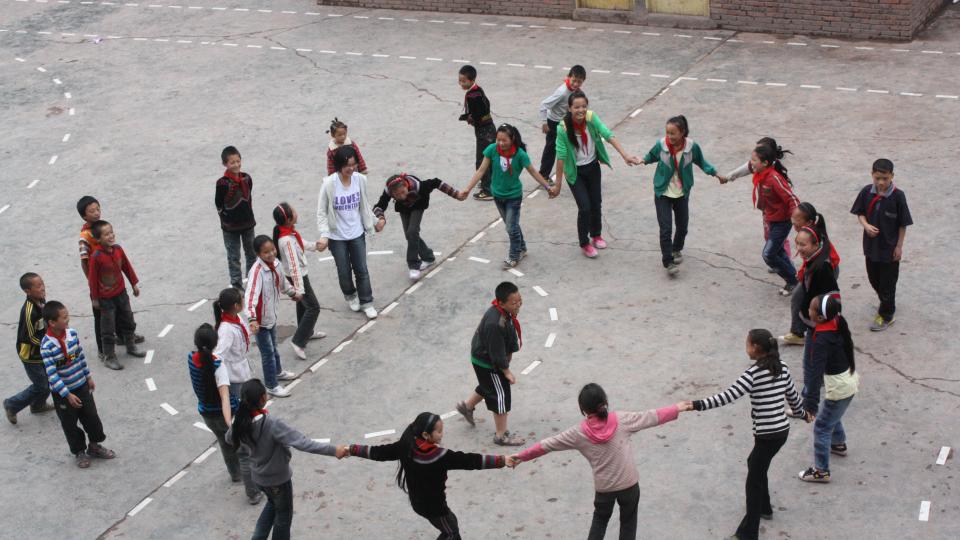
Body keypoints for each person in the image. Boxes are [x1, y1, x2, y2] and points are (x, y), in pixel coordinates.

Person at [511, 384, 692, 540]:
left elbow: (547, 444)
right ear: (605, 402)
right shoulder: (622, 420)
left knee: (599, 522)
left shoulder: (577, 433)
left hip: (604, 490)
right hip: (629, 486)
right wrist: (677, 407)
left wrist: (521, 456)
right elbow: (652, 416)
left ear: (583, 409)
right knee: (628, 524)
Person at [688, 329, 804, 540]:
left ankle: (748, 533)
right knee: (757, 465)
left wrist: (696, 404)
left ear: (756, 348)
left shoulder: (753, 374)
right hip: (781, 432)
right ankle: (765, 508)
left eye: (747, 344)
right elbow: (794, 399)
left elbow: (727, 396)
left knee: (753, 482)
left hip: (767, 435)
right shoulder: (783, 367)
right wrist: (804, 414)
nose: (746, 348)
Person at [348, 412, 509, 539]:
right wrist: (502, 460)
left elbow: (378, 452)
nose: (442, 435)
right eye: (439, 432)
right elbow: (470, 461)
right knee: (452, 532)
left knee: (450, 527)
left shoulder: (406, 446)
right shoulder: (439, 456)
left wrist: (352, 449)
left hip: (418, 502)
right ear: (425, 434)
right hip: (435, 508)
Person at [226, 379, 349, 540]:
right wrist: (334, 450)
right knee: (283, 519)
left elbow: (229, 439)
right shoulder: (271, 424)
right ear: (263, 398)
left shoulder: (240, 421)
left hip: (258, 478)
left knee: (272, 504)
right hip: (278, 481)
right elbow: (303, 443)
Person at [550, 90, 639, 258]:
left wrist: (625, 155)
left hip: (592, 167)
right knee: (584, 207)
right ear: (569, 108)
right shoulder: (562, 128)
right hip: (574, 172)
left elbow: (607, 134)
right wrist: (558, 185)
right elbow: (560, 156)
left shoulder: (591, 118)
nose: (581, 110)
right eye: (576, 107)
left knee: (596, 203)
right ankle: (584, 243)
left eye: (584, 106)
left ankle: (596, 234)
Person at [460, 124, 554, 269]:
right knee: (512, 226)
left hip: (514, 197)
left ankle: (514, 255)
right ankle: (522, 248)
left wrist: (547, 187)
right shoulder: (492, 150)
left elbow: (533, 172)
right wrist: (467, 188)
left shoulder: (520, 154)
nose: (501, 143)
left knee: (511, 227)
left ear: (512, 139)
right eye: (498, 140)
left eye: (504, 140)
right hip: (497, 195)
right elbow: (481, 170)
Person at [638, 115, 720, 275]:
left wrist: (716, 174)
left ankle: (676, 249)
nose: (669, 136)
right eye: (667, 132)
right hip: (663, 192)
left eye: (673, 133)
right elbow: (651, 156)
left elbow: (702, 162)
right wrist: (641, 160)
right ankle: (668, 261)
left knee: (682, 226)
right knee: (665, 228)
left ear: (682, 133)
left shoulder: (691, 147)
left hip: (682, 193)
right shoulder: (661, 145)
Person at [187, 323, 259, 503]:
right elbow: (225, 398)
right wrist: (231, 423)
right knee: (244, 450)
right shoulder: (218, 365)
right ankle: (253, 491)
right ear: (215, 342)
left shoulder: (191, 358)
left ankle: (235, 474)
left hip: (206, 413)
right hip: (224, 414)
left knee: (224, 444)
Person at [41, 301, 116, 468]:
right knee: (70, 424)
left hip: (81, 385)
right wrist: (67, 394)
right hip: (63, 394)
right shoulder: (46, 346)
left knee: (92, 417)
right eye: (64, 317)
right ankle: (79, 452)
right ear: (52, 323)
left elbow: (80, 356)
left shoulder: (72, 334)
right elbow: (52, 375)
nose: (68, 319)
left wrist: (88, 376)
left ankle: (95, 446)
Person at [317, 145, 384, 320]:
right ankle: (350, 294)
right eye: (348, 165)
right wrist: (325, 235)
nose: (351, 168)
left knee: (361, 269)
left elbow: (364, 205)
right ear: (339, 165)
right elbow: (322, 212)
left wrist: (375, 222)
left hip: (356, 233)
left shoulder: (360, 180)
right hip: (336, 236)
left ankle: (367, 301)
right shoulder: (329, 184)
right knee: (344, 271)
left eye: (354, 164)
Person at [455, 281, 526, 446]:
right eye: (514, 303)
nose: (518, 305)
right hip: (489, 363)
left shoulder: (502, 312)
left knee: (489, 386)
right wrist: (506, 370)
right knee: (500, 395)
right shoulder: (495, 323)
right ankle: (501, 436)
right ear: (501, 303)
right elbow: (496, 351)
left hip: (482, 358)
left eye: (520, 301)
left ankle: (467, 406)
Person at [798, 294, 859, 483]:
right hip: (848, 379)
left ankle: (821, 471)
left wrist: (810, 406)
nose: (808, 310)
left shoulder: (821, 341)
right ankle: (838, 444)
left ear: (820, 317)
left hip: (839, 387)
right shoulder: (837, 321)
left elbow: (815, 375)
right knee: (831, 414)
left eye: (811, 309)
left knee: (822, 426)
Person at [77, 196, 144, 359]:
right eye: (91, 211)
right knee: (103, 320)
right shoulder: (85, 237)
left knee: (124, 313)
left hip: (115, 282)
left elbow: (125, 265)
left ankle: (125, 338)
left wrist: (134, 283)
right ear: (84, 216)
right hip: (100, 286)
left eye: (98, 209)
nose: (96, 213)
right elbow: (84, 262)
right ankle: (104, 351)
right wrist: (94, 290)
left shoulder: (109, 238)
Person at [850, 158, 913, 331]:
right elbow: (860, 213)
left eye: (885, 178)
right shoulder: (866, 192)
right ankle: (887, 302)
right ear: (872, 175)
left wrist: (899, 246)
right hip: (871, 247)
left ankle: (887, 315)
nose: (881, 182)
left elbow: (903, 223)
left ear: (892, 176)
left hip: (889, 250)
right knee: (873, 279)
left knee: (888, 284)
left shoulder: (898, 196)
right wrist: (866, 225)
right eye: (877, 178)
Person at [373, 173, 464, 280]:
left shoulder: (420, 186)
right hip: (403, 207)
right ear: (392, 194)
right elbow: (379, 206)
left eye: (403, 192)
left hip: (418, 203)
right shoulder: (388, 191)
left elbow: (436, 182)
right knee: (410, 235)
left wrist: (456, 194)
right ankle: (428, 257)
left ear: (406, 186)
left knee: (412, 232)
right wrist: (381, 219)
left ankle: (413, 265)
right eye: (397, 195)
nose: (401, 196)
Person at [244, 236, 300, 398]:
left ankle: (278, 372)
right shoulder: (257, 272)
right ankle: (271, 385)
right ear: (258, 254)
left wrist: (292, 293)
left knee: (274, 347)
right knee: (267, 353)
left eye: (273, 250)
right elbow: (250, 298)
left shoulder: (276, 264)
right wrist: (252, 319)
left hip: (271, 317)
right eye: (266, 252)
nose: (271, 254)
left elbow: (282, 283)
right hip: (260, 322)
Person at [87, 220, 146, 370]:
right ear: (98, 239)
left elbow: (126, 267)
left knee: (128, 319)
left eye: (111, 232)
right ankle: (109, 356)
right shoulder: (96, 257)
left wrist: (134, 284)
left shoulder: (118, 249)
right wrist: (95, 298)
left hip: (121, 294)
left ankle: (130, 345)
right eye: (106, 234)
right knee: (108, 327)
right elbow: (92, 279)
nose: (111, 236)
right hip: (105, 299)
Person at [272, 202, 326, 362]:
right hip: (297, 277)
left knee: (303, 306)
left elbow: (302, 243)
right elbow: (294, 266)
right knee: (313, 307)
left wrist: (316, 246)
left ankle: (307, 332)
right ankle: (298, 341)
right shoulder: (286, 240)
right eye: (293, 211)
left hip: (299, 276)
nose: (296, 212)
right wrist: (299, 290)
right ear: (288, 219)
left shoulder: (289, 233)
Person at [781, 202, 840, 345]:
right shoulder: (808, 236)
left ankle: (817, 332)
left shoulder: (816, 242)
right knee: (801, 298)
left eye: (797, 220)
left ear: (809, 222)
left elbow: (826, 262)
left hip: (824, 272)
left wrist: (805, 275)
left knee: (814, 301)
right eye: (793, 218)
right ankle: (799, 331)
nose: (793, 222)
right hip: (814, 271)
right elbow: (809, 261)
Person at [4, 273, 54, 424]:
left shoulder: (41, 301)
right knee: (41, 385)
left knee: (49, 380)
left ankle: (37, 405)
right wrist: (48, 343)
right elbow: (29, 337)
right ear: (27, 291)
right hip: (30, 355)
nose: (43, 288)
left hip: (42, 351)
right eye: (38, 286)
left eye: (42, 283)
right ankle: (12, 404)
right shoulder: (28, 311)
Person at [215, 145, 257, 291]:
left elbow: (249, 198)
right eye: (232, 162)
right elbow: (219, 204)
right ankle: (237, 286)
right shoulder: (222, 183)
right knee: (234, 257)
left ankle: (252, 281)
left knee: (251, 253)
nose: (236, 165)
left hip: (248, 224)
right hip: (230, 228)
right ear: (225, 164)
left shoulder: (247, 178)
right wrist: (226, 218)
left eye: (238, 161)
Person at [538, 65, 586, 180]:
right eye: (574, 81)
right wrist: (544, 122)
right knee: (551, 149)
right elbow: (543, 105)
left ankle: (578, 171)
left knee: (574, 146)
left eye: (579, 82)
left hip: (565, 122)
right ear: (568, 77)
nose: (576, 84)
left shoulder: (576, 91)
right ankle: (543, 176)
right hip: (553, 123)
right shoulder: (562, 92)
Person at [457, 65, 496, 201]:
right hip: (489, 129)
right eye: (459, 80)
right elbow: (487, 106)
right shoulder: (478, 90)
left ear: (472, 79)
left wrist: (470, 118)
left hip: (484, 132)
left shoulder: (472, 95)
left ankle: (487, 190)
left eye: (463, 81)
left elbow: (479, 113)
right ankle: (489, 183)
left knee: (482, 161)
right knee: (488, 158)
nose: (461, 83)